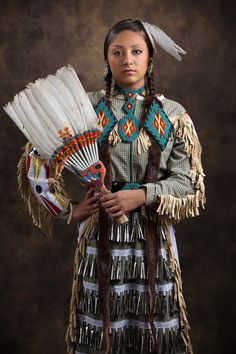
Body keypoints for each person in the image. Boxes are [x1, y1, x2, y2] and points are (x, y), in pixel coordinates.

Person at [17, 19, 205, 354]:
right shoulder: (82, 108)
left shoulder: (173, 114)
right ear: (107, 59)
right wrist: (68, 210)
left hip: (154, 236)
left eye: (136, 51)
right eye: (117, 52)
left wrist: (143, 195)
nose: (128, 60)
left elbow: (188, 182)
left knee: (154, 326)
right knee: (99, 328)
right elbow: (36, 161)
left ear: (150, 58)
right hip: (98, 235)